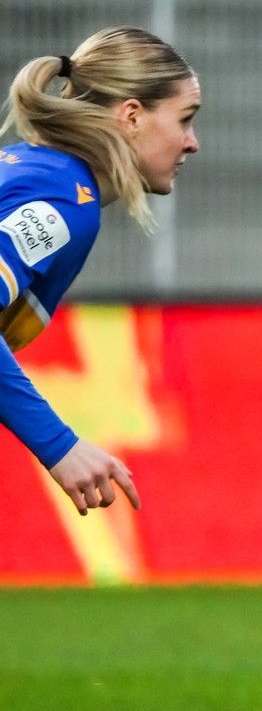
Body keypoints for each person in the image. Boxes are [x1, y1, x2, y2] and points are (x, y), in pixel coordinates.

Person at [0, 27, 201, 518]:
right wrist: (60, 446)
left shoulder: (34, 170)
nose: (192, 143)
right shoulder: (64, 202)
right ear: (132, 116)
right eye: (185, 119)